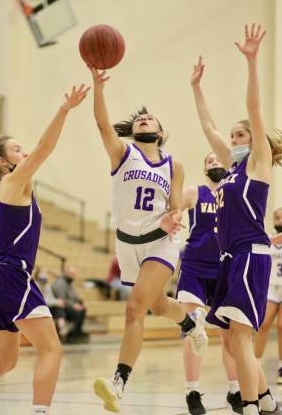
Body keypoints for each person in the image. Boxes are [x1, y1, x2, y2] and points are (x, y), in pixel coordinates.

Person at [89, 66, 208, 413]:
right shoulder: (122, 154)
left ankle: (118, 384)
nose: (143, 119)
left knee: (134, 308)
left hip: (160, 241)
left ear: (160, 132)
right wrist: (98, 88)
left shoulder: (174, 164)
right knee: (157, 306)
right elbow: (101, 124)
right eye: (140, 118)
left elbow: (175, 207)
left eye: (150, 118)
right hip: (127, 243)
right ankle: (188, 322)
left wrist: (175, 217)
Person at [190, 23, 282, 415]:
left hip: (249, 252)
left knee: (242, 338)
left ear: (255, 140)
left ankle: (247, 406)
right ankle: (265, 399)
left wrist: (251, 61)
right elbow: (208, 127)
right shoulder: (230, 170)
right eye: (233, 136)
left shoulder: (258, 163)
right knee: (232, 340)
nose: (233, 139)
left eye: (239, 135)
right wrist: (196, 88)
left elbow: (255, 109)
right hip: (231, 258)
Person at [0, 84, 89, 415]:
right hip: (9, 274)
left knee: (4, 361)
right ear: (5, 161)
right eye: (17, 150)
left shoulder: (2, 189)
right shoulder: (13, 182)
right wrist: (64, 110)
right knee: (52, 349)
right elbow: (46, 147)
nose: (25, 153)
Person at [177, 151, 242, 415]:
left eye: (218, 160)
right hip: (194, 266)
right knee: (193, 328)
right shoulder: (195, 192)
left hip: (224, 268)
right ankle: (192, 391)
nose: (215, 163)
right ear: (205, 169)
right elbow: (171, 209)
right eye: (209, 161)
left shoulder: (236, 195)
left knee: (229, 335)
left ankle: (235, 389)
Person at [255, 207, 282, 384]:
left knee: (281, 326)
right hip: (271, 286)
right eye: (277, 217)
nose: (279, 219)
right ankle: (255, 364)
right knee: (263, 324)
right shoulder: (268, 238)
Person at [51, 265, 88, 343]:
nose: (73, 277)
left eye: (74, 275)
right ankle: (71, 336)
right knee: (77, 313)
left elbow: (74, 296)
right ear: (66, 273)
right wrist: (73, 305)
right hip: (61, 307)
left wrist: (80, 303)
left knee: (83, 309)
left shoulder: (69, 283)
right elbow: (61, 298)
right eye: (71, 274)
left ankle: (77, 333)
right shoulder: (60, 282)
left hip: (68, 305)